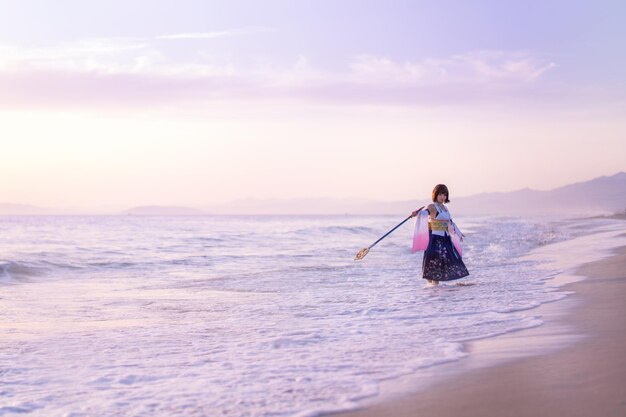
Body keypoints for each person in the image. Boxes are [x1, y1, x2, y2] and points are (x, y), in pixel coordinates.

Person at [410, 184, 469, 286]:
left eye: (445, 195)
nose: (443, 197)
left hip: (445, 238)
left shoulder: (445, 208)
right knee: (434, 263)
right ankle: (433, 291)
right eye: (441, 194)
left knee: (450, 260)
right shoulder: (432, 206)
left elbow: (450, 222)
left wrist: (458, 233)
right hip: (435, 239)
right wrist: (417, 213)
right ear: (436, 194)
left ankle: (436, 291)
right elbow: (425, 213)